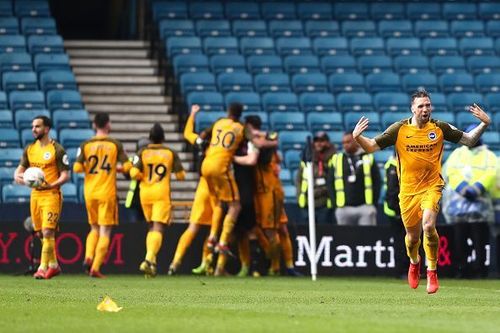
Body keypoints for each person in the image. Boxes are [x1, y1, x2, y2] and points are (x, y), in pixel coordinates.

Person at [352, 89, 491, 294]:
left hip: (432, 186)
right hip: (407, 191)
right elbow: (371, 147)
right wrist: (357, 137)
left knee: (428, 225)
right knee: (412, 238)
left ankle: (432, 270)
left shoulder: (440, 127)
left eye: (428, 105)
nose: (425, 109)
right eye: (421, 106)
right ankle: (414, 261)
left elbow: (469, 140)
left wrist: (484, 124)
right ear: (412, 109)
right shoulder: (398, 129)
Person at [73, 112, 131, 278]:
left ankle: (88, 257)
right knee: (105, 231)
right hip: (107, 192)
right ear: (108, 125)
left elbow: (77, 168)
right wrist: (115, 168)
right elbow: (127, 166)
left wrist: (91, 168)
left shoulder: (86, 144)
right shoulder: (115, 144)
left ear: (94, 125)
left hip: (90, 192)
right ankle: (95, 268)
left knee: (94, 228)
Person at [168, 104, 223, 276]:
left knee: (193, 227)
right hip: (217, 189)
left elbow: (187, 134)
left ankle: (175, 262)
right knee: (213, 230)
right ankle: (205, 264)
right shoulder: (221, 147)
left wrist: (192, 115)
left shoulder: (203, 141)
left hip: (203, 186)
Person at [14, 115, 70, 279]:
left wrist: (52, 184)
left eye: (37, 126)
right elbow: (18, 172)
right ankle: (54, 265)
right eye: (33, 126)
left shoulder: (57, 150)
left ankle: (42, 267)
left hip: (52, 195)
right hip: (35, 196)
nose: (34, 129)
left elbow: (65, 175)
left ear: (46, 129)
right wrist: (22, 179)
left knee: (47, 231)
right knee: (40, 234)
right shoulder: (30, 149)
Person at [130, 123, 185, 277]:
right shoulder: (170, 153)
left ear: (150, 138)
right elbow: (181, 176)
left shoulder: (142, 152)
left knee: (151, 228)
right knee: (158, 228)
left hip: (145, 194)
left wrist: (145, 178)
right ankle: (148, 260)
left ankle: (152, 265)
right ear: (163, 138)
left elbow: (133, 173)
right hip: (161, 193)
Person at [200, 103, 245, 276]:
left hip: (205, 166)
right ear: (239, 114)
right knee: (235, 205)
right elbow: (253, 141)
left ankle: (212, 237)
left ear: (228, 112)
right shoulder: (239, 128)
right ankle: (223, 241)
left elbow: (203, 134)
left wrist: (202, 143)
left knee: (220, 202)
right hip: (220, 167)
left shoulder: (218, 122)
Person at [442, 125, 497, 224]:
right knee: (459, 236)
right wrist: (462, 188)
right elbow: (451, 172)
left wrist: (477, 188)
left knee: (480, 237)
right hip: (457, 206)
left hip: (481, 204)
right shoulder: (457, 153)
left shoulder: (489, 155)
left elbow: (492, 174)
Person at [327, 131, 381, 226]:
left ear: (356, 141)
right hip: (343, 208)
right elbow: (330, 184)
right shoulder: (336, 159)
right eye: (343, 143)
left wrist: (373, 204)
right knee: (345, 239)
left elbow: (377, 181)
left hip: (365, 207)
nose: (345, 145)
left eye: (348, 142)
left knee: (368, 239)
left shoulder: (368, 157)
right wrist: (336, 205)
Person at [296, 131, 336, 223]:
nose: (319, 143)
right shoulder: (306, 158)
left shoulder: (334, 158)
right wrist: (299, 197)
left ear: (327, 143)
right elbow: (299, 180)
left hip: (325, 203)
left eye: (322, 141)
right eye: (316, 141)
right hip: (307, 203)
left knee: (324, 232)